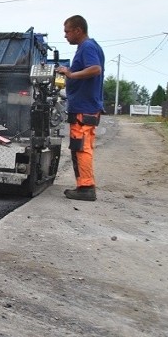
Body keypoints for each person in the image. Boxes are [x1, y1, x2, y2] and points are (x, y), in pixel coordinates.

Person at [56, 15, 105, 201]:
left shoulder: (88, 47)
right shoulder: (87, 47)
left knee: (82, 147)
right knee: (79, 147)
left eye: (67, 31)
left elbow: (95, 69)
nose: (65, 35)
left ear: (78, 30)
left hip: (85, 108)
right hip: (84, 107)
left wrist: (71, 74)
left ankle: (86, 188)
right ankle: (83, 185)